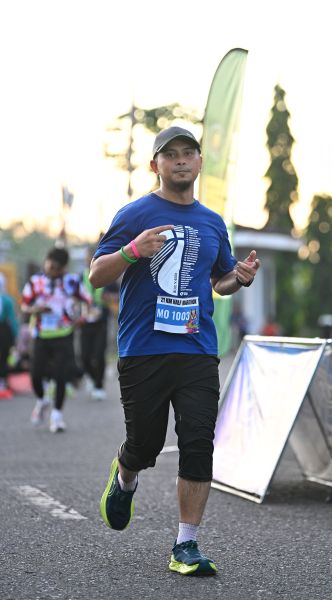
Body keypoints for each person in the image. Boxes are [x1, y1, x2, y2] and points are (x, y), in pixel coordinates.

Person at [90, 126, 260, 576]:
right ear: (156, 165)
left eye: (188, 153)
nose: (181, 160)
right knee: (145, 444)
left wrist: (239, 277)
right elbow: (96, 275)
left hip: (197, 348)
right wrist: (132, 250)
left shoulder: (212, 222)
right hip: (143, 349)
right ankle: (126, 474)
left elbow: (220, 281)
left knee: (198, 443)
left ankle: (186, 544)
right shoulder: (135, 214)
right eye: (170, 155)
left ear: (200, 162)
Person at [21, 246, 90, 432]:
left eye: (57, 268)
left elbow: (87, 300)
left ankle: (57, 416)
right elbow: (24, 305)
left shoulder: (72, 282)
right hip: (40, 334)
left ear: (64, 268)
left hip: (64, 335)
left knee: (61, 376)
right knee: (35, 375)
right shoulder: (35, 282)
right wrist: (35, 310)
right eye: (50, 266)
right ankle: (42, 400)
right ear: (46, 263)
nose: (52, 271)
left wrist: (81, 318)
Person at [79, 246, 119, 400]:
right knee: (84, 356)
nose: (88, 260)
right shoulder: (80, 277)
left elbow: (119, 295)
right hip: (84, 322)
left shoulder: (108, 275)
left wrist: (109, 298)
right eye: (87, 257)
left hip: (101, 322)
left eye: (91, 257)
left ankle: (99, 386)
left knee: (99, 354)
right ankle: (90, 377)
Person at [0, 273, 19, 399]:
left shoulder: (6, 300)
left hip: (3, 331)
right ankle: (2, 382)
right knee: (3, 357)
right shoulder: (7, 300)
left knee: (3, 356)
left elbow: (11, 318)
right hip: (4, 331)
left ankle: (2, 382)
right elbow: (12, 319)